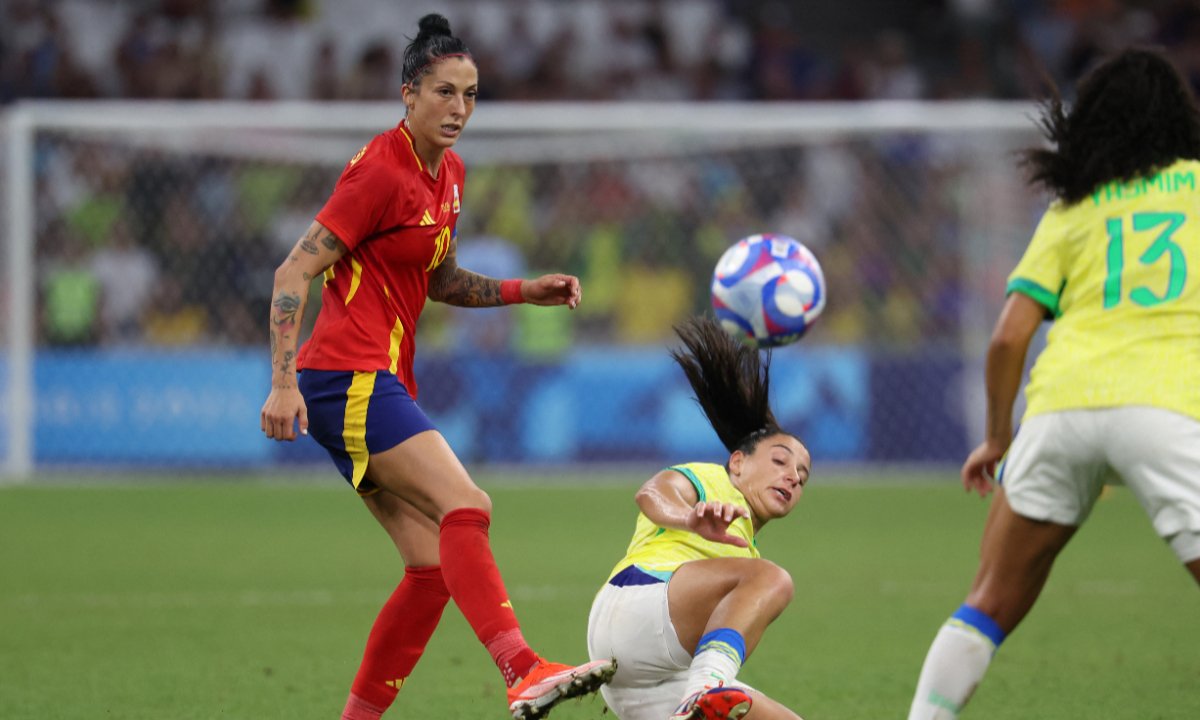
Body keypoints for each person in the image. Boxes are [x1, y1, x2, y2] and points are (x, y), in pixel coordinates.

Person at [259, 14, 615, 720]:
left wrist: (524, 292)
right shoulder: (379, 172)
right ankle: (522, 669)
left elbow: (439, 278)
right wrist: (282, 381)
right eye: (444, 92)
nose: (459, 109)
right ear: (408, 94)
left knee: (430, 571)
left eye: (471, 95)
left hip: (372, 381)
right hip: (346, 377)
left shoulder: (448, 173)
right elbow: (293, 270)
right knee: (469, 505)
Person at [906, 46, 1200, 720]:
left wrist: (997, 438)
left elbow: (1009, 336)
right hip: (1166, 406)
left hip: (1060, 409)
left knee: (989, 601)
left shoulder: (1075, 209)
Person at [586, 315, 809, 720]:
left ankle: (702, 691)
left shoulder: (745, 557)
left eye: (802, 476)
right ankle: (708, 685)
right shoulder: (713, 480)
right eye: (780, 461)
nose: (792, 477)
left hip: (645, 681)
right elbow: (652, 493)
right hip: (635, 607)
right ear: (738, 463)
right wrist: (688, 518)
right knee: (774, 580)